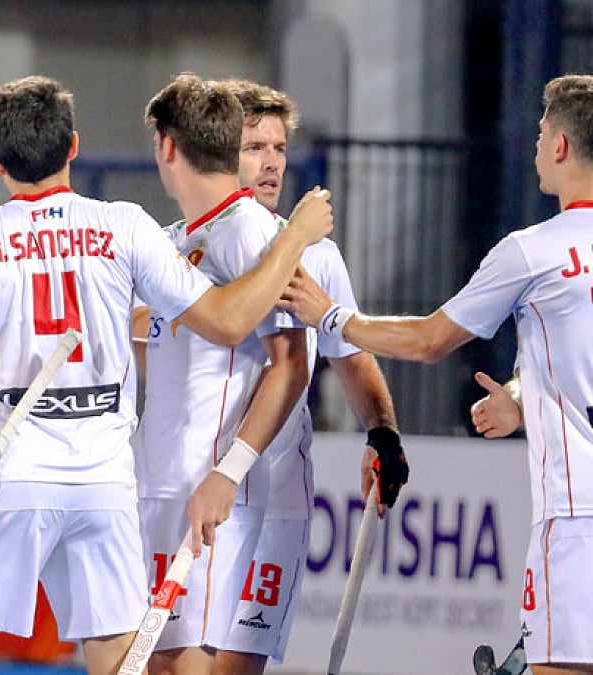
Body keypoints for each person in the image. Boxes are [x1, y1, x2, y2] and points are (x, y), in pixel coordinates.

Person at [0, 74, 333, 675]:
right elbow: (228, 322)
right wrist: (296, 237)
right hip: (102, 479)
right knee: (122, 667)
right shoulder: (125, 225)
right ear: (73, 146)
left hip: (6, 472)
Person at [280, 74, 593, 675]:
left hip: (577, 522)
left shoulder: (534, 251)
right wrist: (524, 399)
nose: (533, 148)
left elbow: (428, 341)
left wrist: (334, 318)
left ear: (559, 146)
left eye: (538, 134)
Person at [214, 79, 409, 675]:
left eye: (278, 148)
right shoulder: (187, 245)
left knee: (232, 669)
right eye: (254, 147)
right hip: (197, 492)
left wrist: (382, 431)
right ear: (219, 154)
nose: (271, 162)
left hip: (274, 497)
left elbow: (349, 353)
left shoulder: (317, 256)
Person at [130, 73, 311, 675]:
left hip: (211, 494)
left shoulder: (251, 232)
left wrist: (228, 474)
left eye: (278, 149)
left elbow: (292, 364)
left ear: (167, 147)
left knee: (196, 665)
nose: (270, 163)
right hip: (157, 484)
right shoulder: (173, 240)